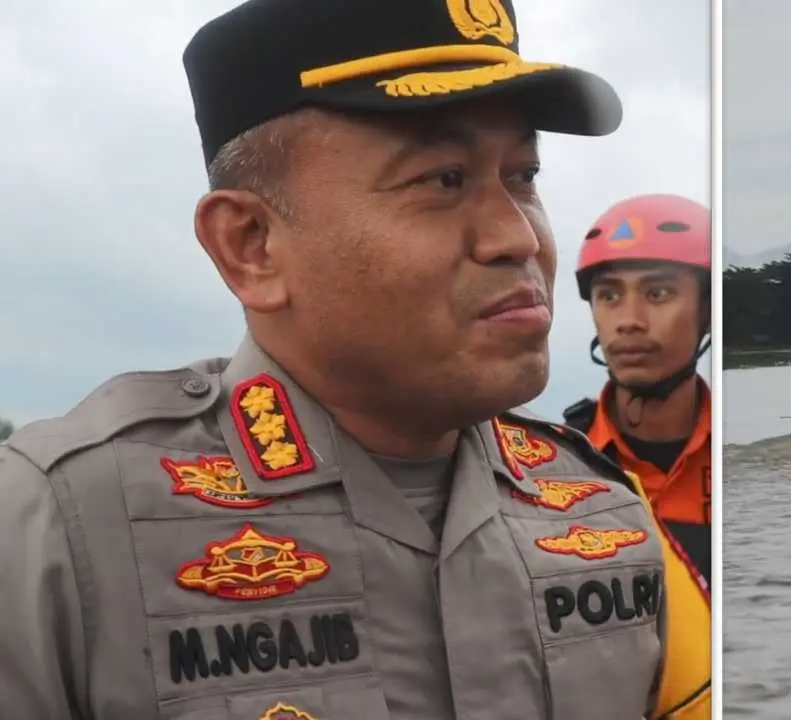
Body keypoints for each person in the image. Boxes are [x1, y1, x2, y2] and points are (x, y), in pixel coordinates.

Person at [0, 1, 670, 717]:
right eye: (443, 180)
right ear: (250, 245)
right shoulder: (57, 529)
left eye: (524, 175)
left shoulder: (608, 514)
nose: (516, 237)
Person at [563, 193, 712, 719]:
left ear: (707, 312)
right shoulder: (548, 470)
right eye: (609, 296)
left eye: (659, 292)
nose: (628, 320)